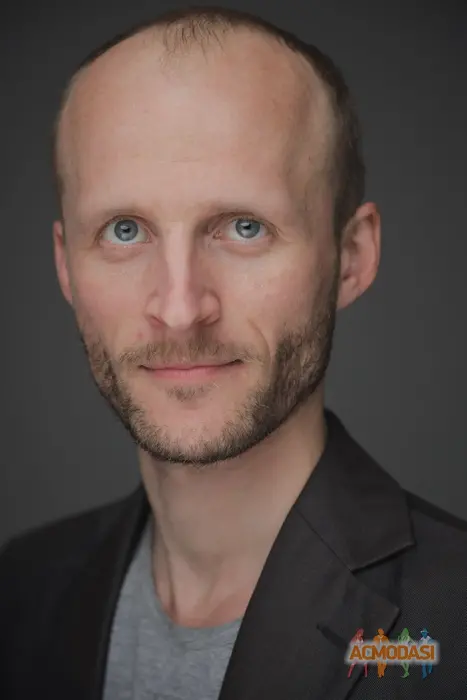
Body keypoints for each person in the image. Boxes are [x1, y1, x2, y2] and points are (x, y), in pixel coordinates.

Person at [1, 6, 466, 700]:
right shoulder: (20, 589)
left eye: (244, 227)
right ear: (66, 266)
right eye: (124, 230)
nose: (180, 308)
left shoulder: (453, 625)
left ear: (351, 257)